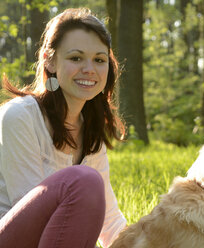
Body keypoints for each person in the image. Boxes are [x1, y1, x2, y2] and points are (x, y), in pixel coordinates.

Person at [0, 8, 126, 248]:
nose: (89, 69)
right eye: (76, 58)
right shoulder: (20, 116)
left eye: (99, 60)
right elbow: (30, 211)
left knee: (87, 182)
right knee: (84, 181)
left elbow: (110, 223)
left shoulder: (90, 131)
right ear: (50, 60)